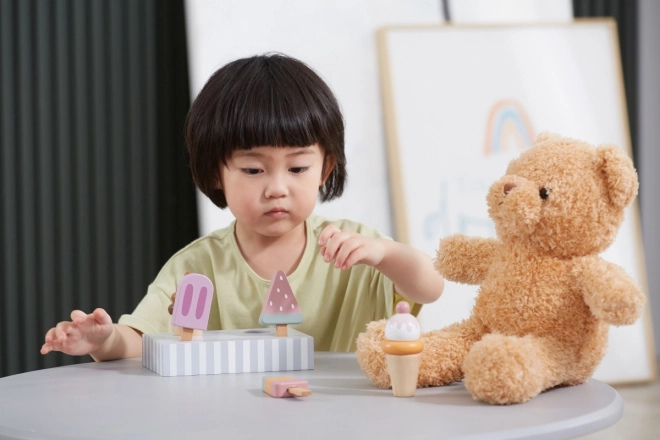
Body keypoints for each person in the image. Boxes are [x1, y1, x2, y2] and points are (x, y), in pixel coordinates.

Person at [40, 53, 445, 361]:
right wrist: (104, 339)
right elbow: (141, 340)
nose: (277, 188)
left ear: (325, 169)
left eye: (298, 167)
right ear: (216, 173)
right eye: (253, 169)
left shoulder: (356, 248)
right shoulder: (197, 265)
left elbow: (431, 285)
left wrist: (386, 254)